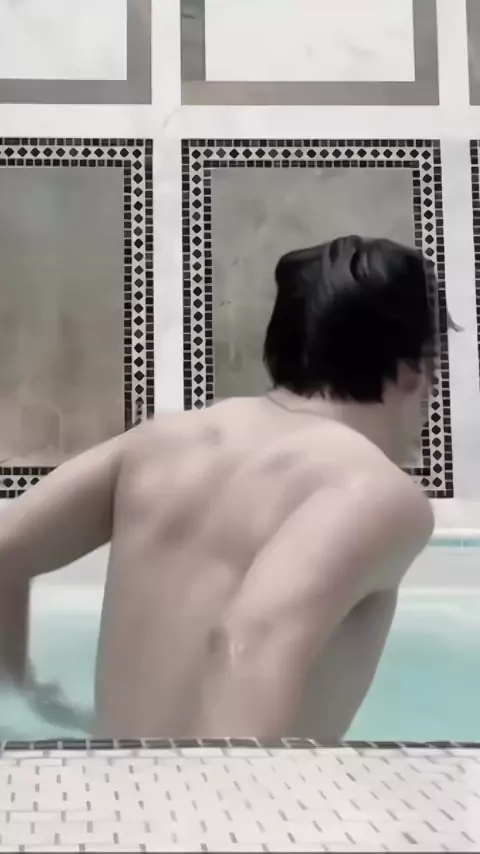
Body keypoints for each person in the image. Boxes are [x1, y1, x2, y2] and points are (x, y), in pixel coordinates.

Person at [0, 235, 435, 740]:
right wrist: (217, 789)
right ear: (414, 370)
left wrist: (17, 686)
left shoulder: (162, 442)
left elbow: (5, 547)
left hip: (113, 778)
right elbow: (248, 642)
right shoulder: (372, 491)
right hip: (218, 786)